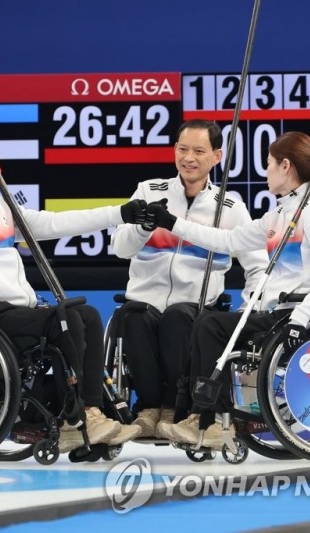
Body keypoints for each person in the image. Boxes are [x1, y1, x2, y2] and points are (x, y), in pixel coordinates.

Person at [0, 118, 144, 453]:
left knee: (87, 315)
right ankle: (74, 418)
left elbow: (53, 223)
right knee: (66, 320)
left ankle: (90, 411)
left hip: (18, 309)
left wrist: (119, 213)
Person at [151, 131, 310, 449]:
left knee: (212, 325)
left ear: (285, 166)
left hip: (296, 317)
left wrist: (301, 316)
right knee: (207, 323)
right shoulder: (280, 215)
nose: (265, 171)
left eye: (269, 163)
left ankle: (210, 420)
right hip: (276, 314)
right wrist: (172, 223)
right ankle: (202, 415)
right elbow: (226, 239)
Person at [111, 119, 268, 440]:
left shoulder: (229, 207)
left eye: (198, 151)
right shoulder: (149, 190)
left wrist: (247, 310)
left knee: (177, 317)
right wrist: (143, 227)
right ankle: (149, 408)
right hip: (144, 301)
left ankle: (174, 407)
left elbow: (258, 266)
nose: (188, 158)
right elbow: (120, 248)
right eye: (182, 149)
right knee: (132, 316)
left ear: (216, 156)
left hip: (196, 308)